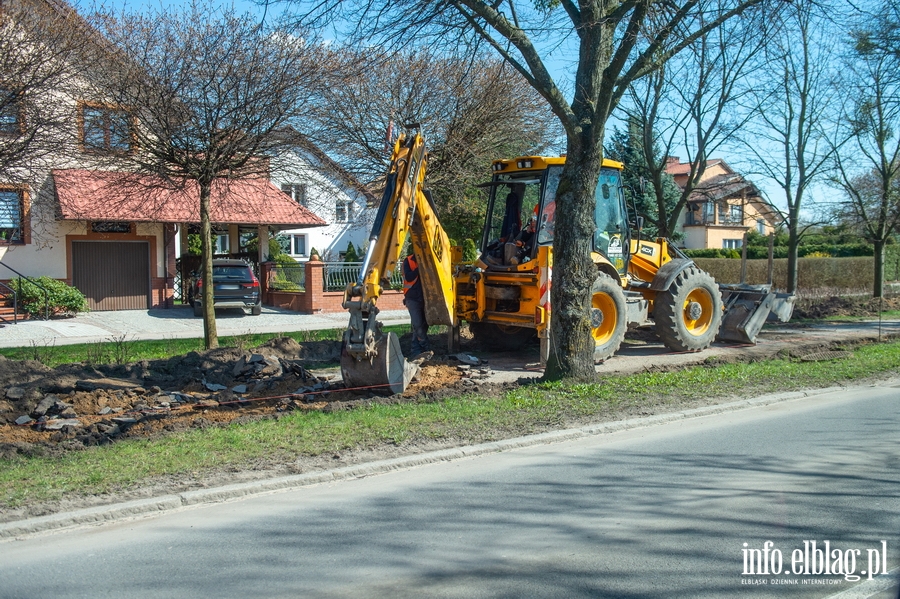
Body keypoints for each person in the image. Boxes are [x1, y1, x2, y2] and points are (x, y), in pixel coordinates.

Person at [402, 250, 431, 360]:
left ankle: (416, 351)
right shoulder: (408, 261)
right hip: (412, 298)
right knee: (418, 324)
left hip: (426, 298)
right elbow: (408, 277)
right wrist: (420, 269)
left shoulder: (429, 261)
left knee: (423, 325)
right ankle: (426, 347)